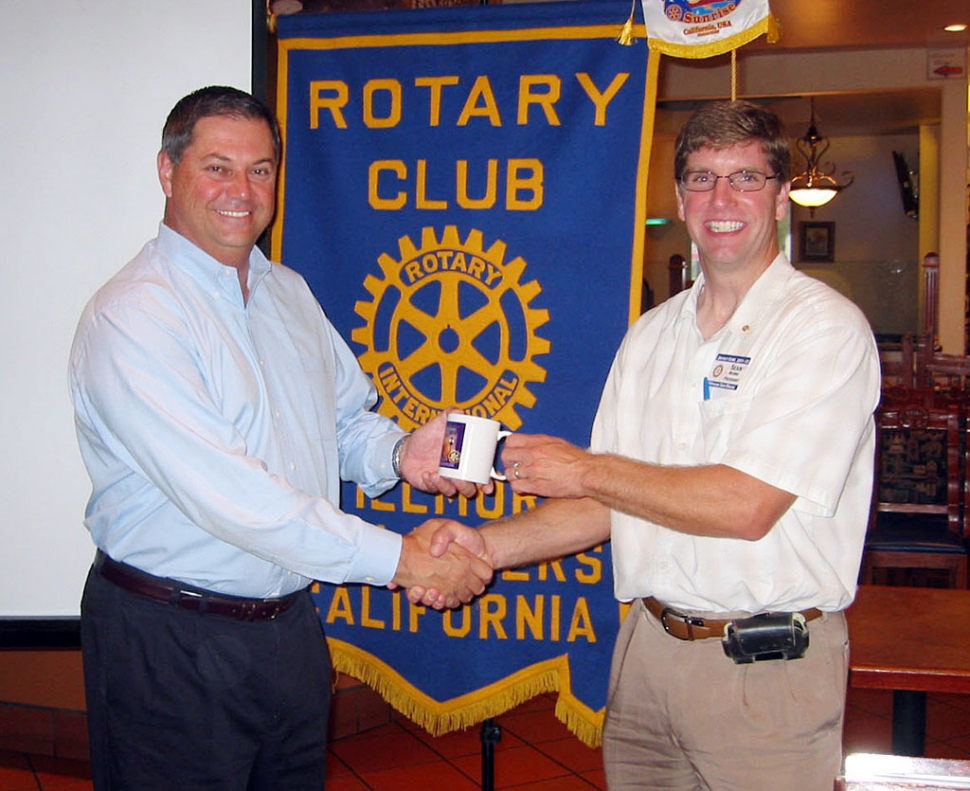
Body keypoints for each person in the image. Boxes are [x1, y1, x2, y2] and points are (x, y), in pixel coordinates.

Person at [410, 100, 881, 790]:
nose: (722, 200)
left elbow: (745, 504)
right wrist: (489, 546)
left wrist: (585, 468)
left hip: (766, 671)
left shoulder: (824, 330)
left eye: (745, 178)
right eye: (701, 178)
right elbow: (609, 502)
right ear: (681, 197)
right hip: (645, 656)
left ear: (782, 198)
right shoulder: (651, 335)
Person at [68, 85, 491, 790]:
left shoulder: (288, 292)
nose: (242, 189)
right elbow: (235, 499)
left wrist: (396, 453)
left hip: (288, 632)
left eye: (260, 168)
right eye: (218, 166)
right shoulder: (134, 316)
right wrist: (404, 561)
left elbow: (343, 420)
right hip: (171, 638)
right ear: (168, 173)